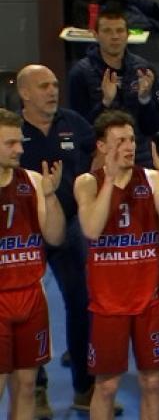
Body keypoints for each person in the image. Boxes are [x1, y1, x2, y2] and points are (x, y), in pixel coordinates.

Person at [73, 109, 159, 419]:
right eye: (120, 140)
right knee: (106, 386)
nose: (129, 146)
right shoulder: (87, 183)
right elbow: (91, 229)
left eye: (132, 139)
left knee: (151, 382)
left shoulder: (152, 179)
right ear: (102, 146)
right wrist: (110, 181)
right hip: (108, 305)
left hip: (148, 301)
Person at [16, 65, 101, 416]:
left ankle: (84, 386)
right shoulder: (12, 131)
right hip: (23, 234)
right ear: (24, 93)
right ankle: (36, 388)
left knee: (81, 303)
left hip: (68, 225)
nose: (52, 91)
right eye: (43, 86)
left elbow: (96, 151)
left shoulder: (73, 123)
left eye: (54, 84)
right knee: (27, 311)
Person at [0, 108, 65, 420]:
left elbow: (55, 236)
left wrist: (50, 197)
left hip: (30, 295)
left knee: (26, 385)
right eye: (10, 143)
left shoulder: (34, 181)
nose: (20, 149)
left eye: (20, 142)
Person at [67, 10, 159, 167]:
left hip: (139, 158)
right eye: (107, 31)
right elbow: (79, 130)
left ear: (127, 34)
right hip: (102, 160)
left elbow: (152, 127)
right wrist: (105, 102)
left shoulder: (144, 70)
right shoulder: (80, 74)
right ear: (95, 35)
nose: (115, 36)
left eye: (119, 30)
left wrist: (145, 99)